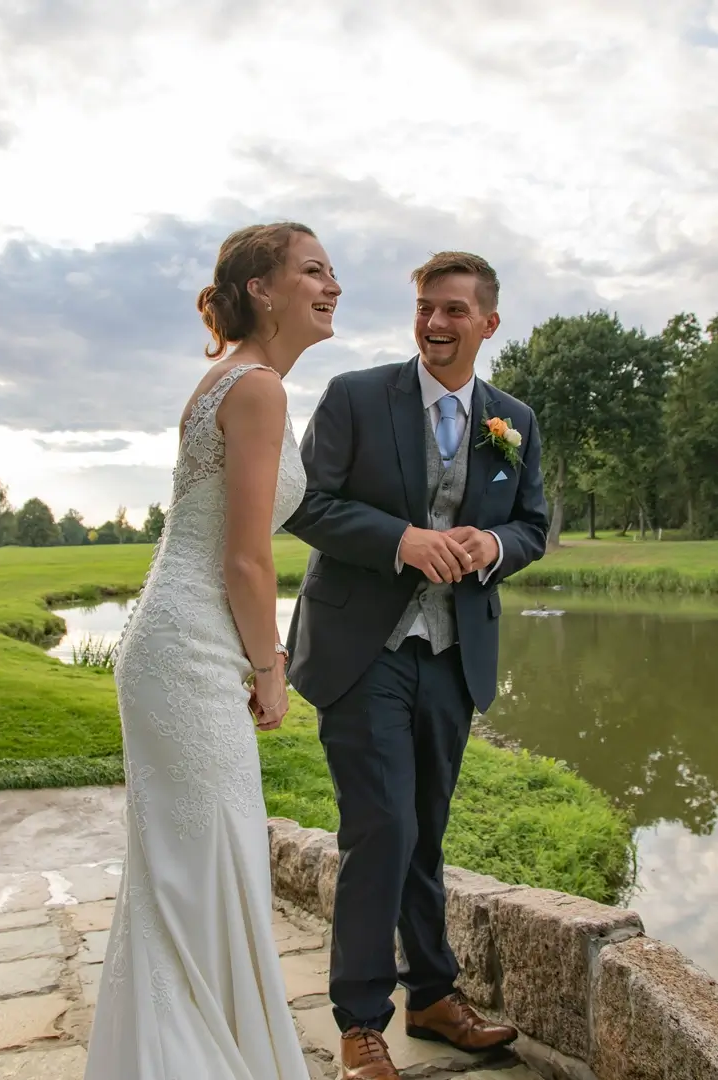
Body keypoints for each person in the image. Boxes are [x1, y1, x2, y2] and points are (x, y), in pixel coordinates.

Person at [84, 222, 341, 1080]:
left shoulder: (226, 379)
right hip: (192, 653)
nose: (331, 285)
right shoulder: (258, 385)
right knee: (201, 863)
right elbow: (244, 556)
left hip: (174, 641)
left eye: (331, 271)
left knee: (189, 868)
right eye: (312, 271)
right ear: (263, 289)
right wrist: (270, 669)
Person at [284, 252, 549, 1080]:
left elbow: (534, 525)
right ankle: (362, 1022)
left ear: (488, 324)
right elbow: (308, 505)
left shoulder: (514, 421)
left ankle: (433, 997)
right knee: (383, 827)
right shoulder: (357, 397)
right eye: (425, 309)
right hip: (362, 651)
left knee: (425, 831)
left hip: (453, 653)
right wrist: (401, 539)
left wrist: (492, 544)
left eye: (454, 312)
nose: (435, 324)